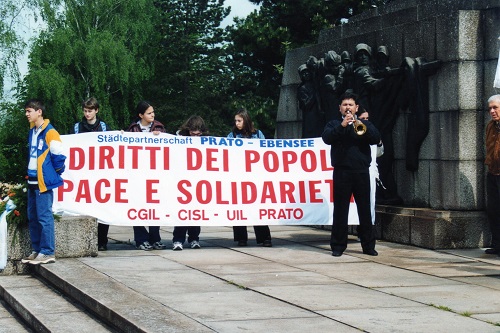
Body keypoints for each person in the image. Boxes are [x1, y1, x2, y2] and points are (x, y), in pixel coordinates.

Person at [322, 91, 381, 257]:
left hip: (361, 172)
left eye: (350, 105)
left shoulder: (363, 124)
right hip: (342, 172)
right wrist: (342, 126)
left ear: (356, 108)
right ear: (339, 108)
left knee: (364, 210)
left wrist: (358, 124)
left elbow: (375, 138)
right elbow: (327, 138)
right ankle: (338, 246)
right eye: (344, 105)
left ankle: (368, 246)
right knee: (341, 210)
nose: (348, 108)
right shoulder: (333, 124)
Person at [21, 99, 66, 265]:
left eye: (29, 111)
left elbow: (59, 158)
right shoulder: (32, 131)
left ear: (39, 111)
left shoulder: (50, 132)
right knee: (33, 216)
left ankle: (47, 251)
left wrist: (50, 174)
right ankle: (37, 249)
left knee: (44, 217)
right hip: (32, 180)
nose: (26, 114)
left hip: (42, 182)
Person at [227, 108, 272, 247]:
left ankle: (264, 237)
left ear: (246, 120)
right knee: (239, 207)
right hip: (238, 175)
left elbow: (265, 152)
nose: (237, 123)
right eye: (235, 121)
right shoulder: (232, 135)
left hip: (255, 176)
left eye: (239, 120)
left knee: (258, 206)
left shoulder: (258, 134)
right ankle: (241, 238)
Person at [127, 100, 167, 251]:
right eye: (149, 113)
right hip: (137, 175)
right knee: (137, 207)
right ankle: (141, 239)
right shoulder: (132, 129)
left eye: (153, 112)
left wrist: (159, 137)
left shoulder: (159, 127)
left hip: (155, 174)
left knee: (154, 207)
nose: (153, 115)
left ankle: (155, 238)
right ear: (140, 115)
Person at [73, 97, 110, 251]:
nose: (87, 114)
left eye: (90, 111)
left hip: (101, 172)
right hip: (83, 173)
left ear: (96, 110)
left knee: (103, 207)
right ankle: (85, 240)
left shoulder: (103, 126)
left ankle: (102, 240)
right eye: (85, 111)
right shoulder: (76, 127)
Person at [172, 115, 208, 251]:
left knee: (195, 213)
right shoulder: (178, 139)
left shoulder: (206, 141)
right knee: (182, 212)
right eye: (193, 134)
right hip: (182, 181)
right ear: (188, 131)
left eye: (199, 134)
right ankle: (178, 239)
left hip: (198, 180)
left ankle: (194, 238)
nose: (195, 137)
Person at [357, 109, 384, 226]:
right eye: (363, 119)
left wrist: (379, 143)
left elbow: (379, 153)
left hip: (369, 172)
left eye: (367, 119)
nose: (366, 121)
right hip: (357, 171)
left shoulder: (371, 132)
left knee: (368, 202)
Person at [484, 95, 500, 255]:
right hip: (493, 172)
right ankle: (497, 244)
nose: (492, 111)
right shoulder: (490, 126)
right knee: (494, 210)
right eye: (490, 108)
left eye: (495, 107)